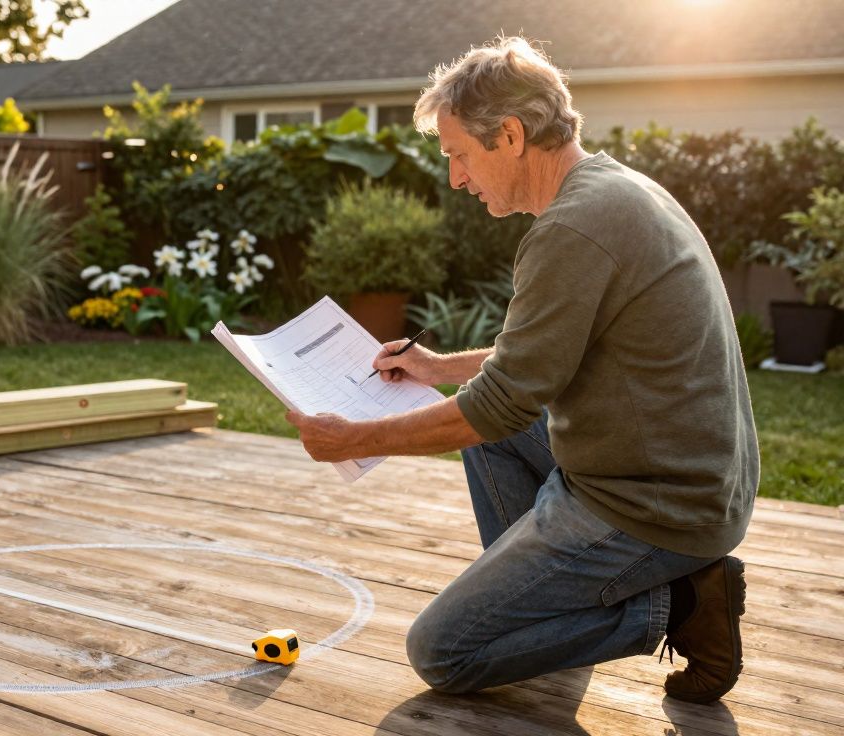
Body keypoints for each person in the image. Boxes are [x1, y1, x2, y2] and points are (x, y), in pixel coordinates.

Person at [284, 36, 759, 704]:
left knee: (444, 651)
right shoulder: (614, 189)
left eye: (458, 155)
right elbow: (545, 358)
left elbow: (502, 405)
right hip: (687, 476)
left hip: (657, 505)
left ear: (508, 135)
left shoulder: (574, 227)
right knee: (489, 421)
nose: (455, 178)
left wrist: (352, 439)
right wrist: (439, 366)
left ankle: (678, 603)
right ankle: (546, 604)